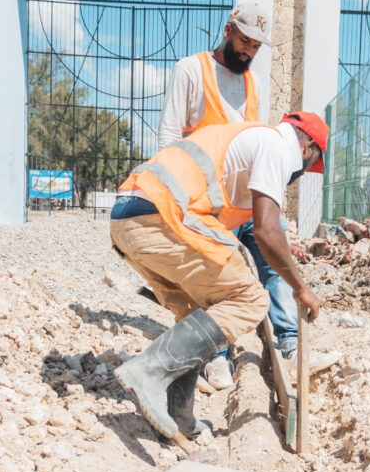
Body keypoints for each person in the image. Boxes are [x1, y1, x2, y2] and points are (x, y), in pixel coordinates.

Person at [109, 111, 328, 446]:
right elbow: (266, 230)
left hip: (130, 217)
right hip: (161, 215)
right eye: (310, 165)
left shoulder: (252, 143)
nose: (301, 174)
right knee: (251, 298)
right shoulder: (277, 146)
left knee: (196, 313)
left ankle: (178, 419)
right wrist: (301, 289)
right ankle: (148, 372)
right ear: (308, 146)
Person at [157, 2, 302, 389]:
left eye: (256, 46)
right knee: (216, 276)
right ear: (227, 29)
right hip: (205, 201)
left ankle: (288, 339)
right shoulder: (191, 70)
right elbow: (169, 136)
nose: (249, 51)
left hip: (244, 198)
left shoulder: (252, 82)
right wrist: (174, 200)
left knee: (273, 260)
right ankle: (217, 355)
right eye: (244, 41)